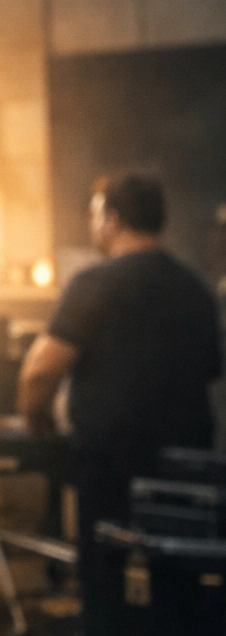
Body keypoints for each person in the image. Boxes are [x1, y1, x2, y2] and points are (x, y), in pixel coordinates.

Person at [18, 173, 221, 636]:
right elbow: (207, 372)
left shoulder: (95, 283)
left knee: (111, 597)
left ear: (112, 220)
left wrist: (37, 419)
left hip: (113, 468)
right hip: (188, 469)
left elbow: (40, 371)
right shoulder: (196, 291)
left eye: (93, 215)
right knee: (179, 598)